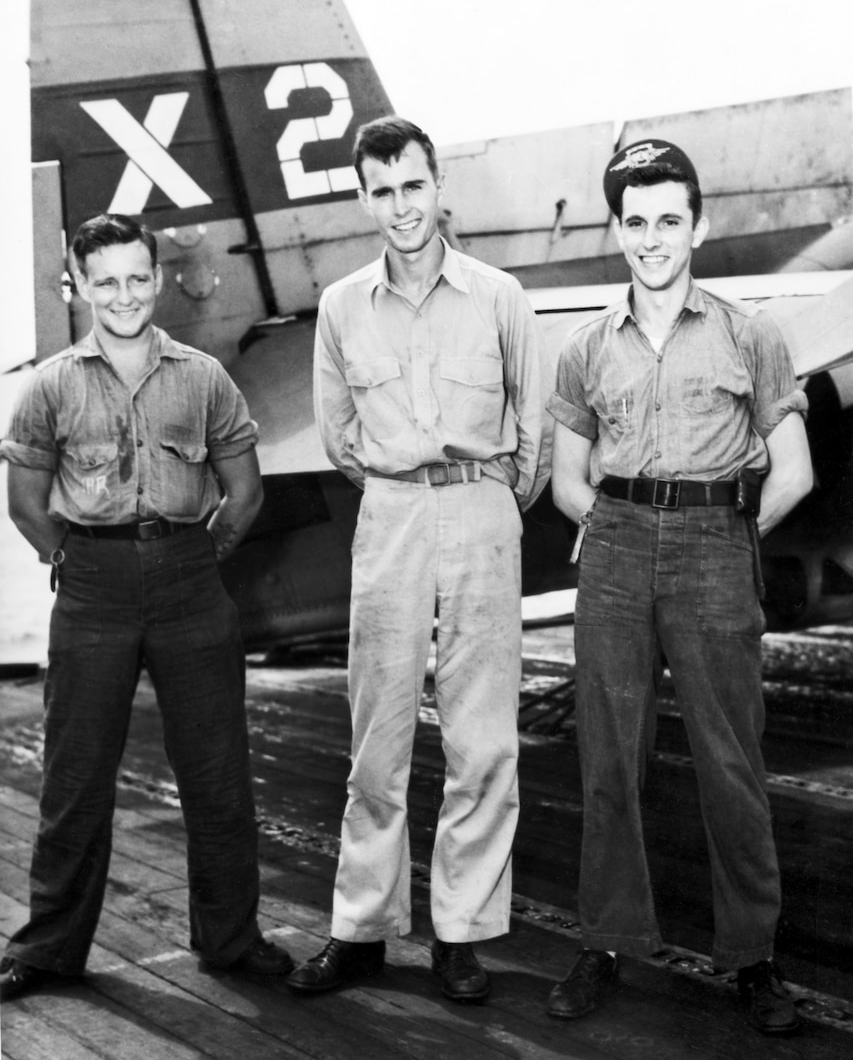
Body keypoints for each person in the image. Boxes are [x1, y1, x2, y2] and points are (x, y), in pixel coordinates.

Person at [546, 140, 813, 1035]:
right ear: (614, 231)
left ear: (698, 223)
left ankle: (752, 959)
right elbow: (565, 480)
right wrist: (617, 533)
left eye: (669, 219)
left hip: (713, 546)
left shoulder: (751, 334)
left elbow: (794, 472)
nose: (652, 239)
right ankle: (606, 940)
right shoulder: (584, 348)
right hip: (615, 547)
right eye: (635, 222)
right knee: (607, 758)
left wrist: (728, 538)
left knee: (729, 763)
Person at [287, 116, 552, 1003]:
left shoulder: (500, 297)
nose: (400, 207)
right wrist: (409, 489)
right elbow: (341, 438)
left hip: (481, 508)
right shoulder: (339, 308)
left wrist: (485, 495)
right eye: (380, 190)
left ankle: (460, 936)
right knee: (377, 736)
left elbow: (533, 431)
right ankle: (361, 931)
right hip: (391, 513)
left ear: (438, 187)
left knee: (482, 739)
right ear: (363, 199)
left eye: (412, 185)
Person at [0, 213, 293, 1001]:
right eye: (105, 281)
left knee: (218, 773)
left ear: (157, 279)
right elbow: (23, 501)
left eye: (137, 277)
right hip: (91, 589)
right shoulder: (53, 384)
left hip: (190, 584)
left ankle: (231, 940)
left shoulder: (202, 377)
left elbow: (245, 492)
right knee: (74, 778)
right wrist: (70, 557)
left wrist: (196, 557)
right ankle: (49, 948)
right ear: (79, 288)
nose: (124, 294)